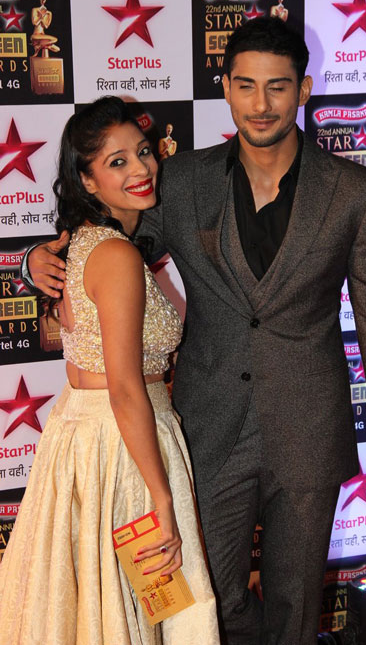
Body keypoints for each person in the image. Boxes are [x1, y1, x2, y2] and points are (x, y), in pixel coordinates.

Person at [24, 18, 366, 645]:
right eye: (246, 85)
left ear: (303, 90)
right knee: (208, 597)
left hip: (308, 428)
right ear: (226, 88)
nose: (261, 104)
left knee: (295, 607)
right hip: (206, 426)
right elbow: (108, 243)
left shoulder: (353, 191)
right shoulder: (180, 180)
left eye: (278, 87)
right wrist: (38, 259)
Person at [1, 97, 219, 645]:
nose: (141, 168)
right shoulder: (116, 256)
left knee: (103, 607)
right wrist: (162, 499)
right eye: (117, 162)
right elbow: (124, 387)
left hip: (87, 438)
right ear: (87, 180)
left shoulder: (81, 242)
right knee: (141, 602)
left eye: (143, 152)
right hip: (124, 446)